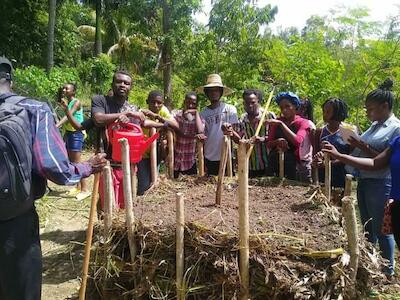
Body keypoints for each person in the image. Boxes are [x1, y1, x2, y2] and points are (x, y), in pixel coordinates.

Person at [0, 56, 106, 300]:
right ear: (10, 78)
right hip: (15, 227)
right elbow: (55, 168)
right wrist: (87, 167)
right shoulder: (32, 109)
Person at [346, 79, 399, 275]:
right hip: (365, 179)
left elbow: (382, 160)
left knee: (382, 227)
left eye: (371, 109)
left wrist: (361, 146)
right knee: (367, 224)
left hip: (381, 182)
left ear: (385, 106)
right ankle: (370, 262)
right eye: (366, 109)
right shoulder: (375, 126)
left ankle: (388, 268)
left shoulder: (395, 128)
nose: (368, 113)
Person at [91, 71, 162, 207]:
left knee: (126, 201)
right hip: (105, 160)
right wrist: (125, 114)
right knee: (107, 200)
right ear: (112, 84)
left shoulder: (133, 107)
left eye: (126, 83)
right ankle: (102, 227)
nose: (122, 85)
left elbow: (143, 123)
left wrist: (163, 124)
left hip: (127, 163)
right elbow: (98, 119)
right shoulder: (100, 100)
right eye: (119, 82)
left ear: (130, 87)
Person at [224, 89, 275, 177]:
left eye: (253, 102)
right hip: (251, 164)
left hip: (269, 164)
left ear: (258, 102)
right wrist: (230, 131)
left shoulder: (269, 116)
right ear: (243, 104)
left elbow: (276, 137)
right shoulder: (243, 119)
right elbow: (238, 140)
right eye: (247, 103)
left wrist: (263, 139)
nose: (250, 105)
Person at [197, 74, 238, 175]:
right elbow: (201, 131)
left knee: (228, 184)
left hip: (226, 154)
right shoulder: (203, 113)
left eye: (216, 90)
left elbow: (236, 131)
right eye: (211, 90)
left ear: (221, 92)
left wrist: (230, 131)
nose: (214, 93)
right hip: (209, 155)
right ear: (207, 93)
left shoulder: (230, 109)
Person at [56, 83, 91, 201]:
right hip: (70, 133)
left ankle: (85, 189)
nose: (64, 90)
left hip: (77, 134)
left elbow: (68, 116)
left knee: (77, 163)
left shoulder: (76, 102)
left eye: (67, 88)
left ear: (73, 91)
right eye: (64, 88)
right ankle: (78, 187)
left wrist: (57, 125)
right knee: (72, 162)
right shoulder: (68, 102)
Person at [266, 92, 311, 180]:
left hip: (293, 165)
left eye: (287, 106)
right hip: (275, 162)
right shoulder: (277, 122)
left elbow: (298, 141)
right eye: (282, 108)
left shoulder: (302, 122)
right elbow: (268, 143)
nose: (284, 110)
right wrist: (277, 142)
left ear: (295, 107)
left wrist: (281, 125)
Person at [314, 98, 353, 188]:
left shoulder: (348, 132)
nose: (324, 114)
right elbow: (315, 153)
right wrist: (318, 160)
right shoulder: (319, 132)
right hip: (322, 176)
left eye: (328, 112)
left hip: (341, 176)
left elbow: (350, 156)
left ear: (337, 113)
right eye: (324, 111)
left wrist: (330, 163)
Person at [172, 92, 205, 178]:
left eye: (193, 104)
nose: (190, 106)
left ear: (197, 105)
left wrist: (196, 113)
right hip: (175, 161)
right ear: (184, 102)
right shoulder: (176, 114)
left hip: (189, 162)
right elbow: (173, 126)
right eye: (188, 102)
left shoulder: (199, 119)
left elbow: (200, 131)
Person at [297, 98, 316, 183]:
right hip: (295, 160)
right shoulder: (294, 123)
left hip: (305, 161)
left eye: (301, 108)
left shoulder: (309, 124)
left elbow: (314, 144)